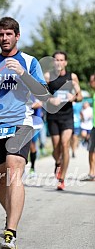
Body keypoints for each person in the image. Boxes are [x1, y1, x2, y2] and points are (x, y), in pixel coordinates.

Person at [0, 17, 50, 249]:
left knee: (14, 168)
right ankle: (11, 214)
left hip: (21, 122)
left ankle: (10, 231)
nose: (4, 38)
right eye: (1, 34)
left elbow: (44, 94)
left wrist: (23, 74)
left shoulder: (29, 61)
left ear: (17, 36)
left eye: (8, 34)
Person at [45, 50, 83, 190]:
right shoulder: (48, 77)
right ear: (53, 62)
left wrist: (73, 97)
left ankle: (62, 178)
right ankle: (58, 162)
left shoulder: (72, 77)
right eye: (56, 60)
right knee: (56, 148)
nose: (59, 62)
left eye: (62, 60)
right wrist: (51, 99)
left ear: (65, 62)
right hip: (53, 116)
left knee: (65, 144)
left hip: (67, 116)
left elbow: (80, 96)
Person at [80, 74, 95, 181]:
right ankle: (91, 173)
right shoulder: (93, 94)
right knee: (91, 150)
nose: (90, 83)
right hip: (93, 126)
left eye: (91, 81)